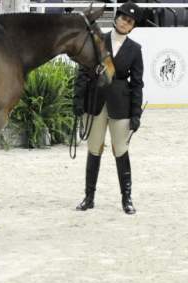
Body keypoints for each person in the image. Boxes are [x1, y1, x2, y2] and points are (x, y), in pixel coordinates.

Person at [73, 1, 144, 215]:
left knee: (120, 150)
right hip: (95, 101)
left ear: (133, 26)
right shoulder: (98, 41)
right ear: (116, 18)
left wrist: (136, 113)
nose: (124, 22)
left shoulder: (135, 50)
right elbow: (84, 71)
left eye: (129, 21)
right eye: (122, 17)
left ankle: (127, 198)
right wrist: (78, 99)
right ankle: (89, 197)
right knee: (94, 149)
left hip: (120, 105)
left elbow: (137, 84)